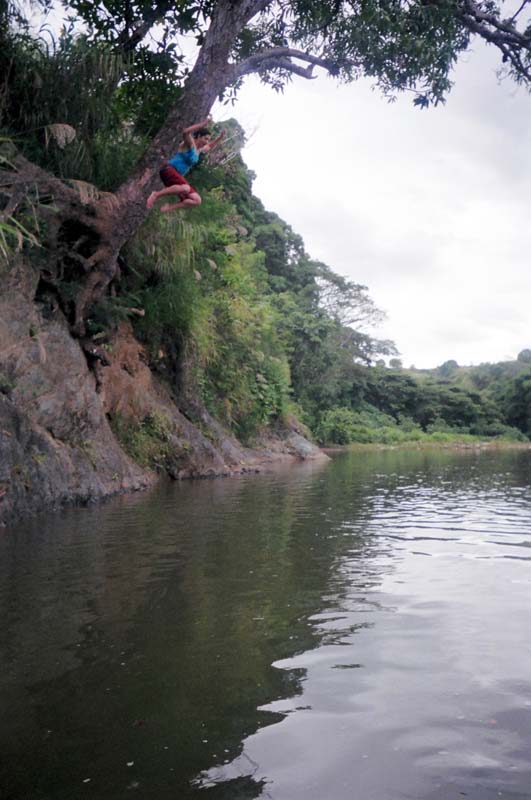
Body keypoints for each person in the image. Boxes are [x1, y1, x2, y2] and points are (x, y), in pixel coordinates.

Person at [146, 116, 225, 213]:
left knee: (197, 200)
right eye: (205, 139)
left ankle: (168, 208)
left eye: (208, 139)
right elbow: (185, 132)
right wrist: (202, 124)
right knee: (186, 188)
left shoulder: (199, 150)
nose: (206, 142)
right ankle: (156, 194)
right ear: (199, 136)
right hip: (168, 169)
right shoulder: (190, 144)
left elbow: (210, 146)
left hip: (177, 177)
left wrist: (220, 138)